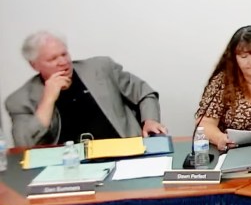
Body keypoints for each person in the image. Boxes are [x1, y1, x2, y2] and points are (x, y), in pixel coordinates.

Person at [5, 31, 167, 147]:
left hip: (123, 151)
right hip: (67, 166)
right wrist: (48, 100)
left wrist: (150, 120)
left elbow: (144, 92)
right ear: (34, 65)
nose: (63, 62)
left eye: (64, 54)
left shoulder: (100, 68)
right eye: (53, 59)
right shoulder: (19, 100)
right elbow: (24, 145)